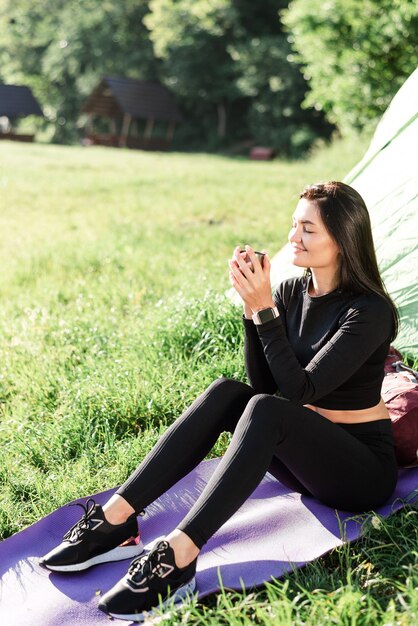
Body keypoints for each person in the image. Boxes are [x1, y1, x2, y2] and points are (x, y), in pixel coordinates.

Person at [40, 181, 399, 622]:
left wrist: (264, 313)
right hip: (308, 462)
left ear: (342, 239)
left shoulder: (369, 311)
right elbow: (265, 383)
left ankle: (180, 554)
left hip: (359, 473)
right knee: (229, 391)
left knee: (266, 410)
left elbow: (301, 392)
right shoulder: (290, 292)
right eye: (293, 225)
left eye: (308, 229)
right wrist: (254, 312)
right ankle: (117, 520)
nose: (293, 238)